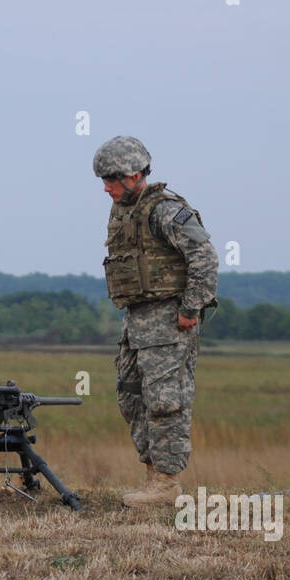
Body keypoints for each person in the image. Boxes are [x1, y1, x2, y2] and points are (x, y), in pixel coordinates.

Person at [93, 136, 219, 507]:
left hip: (169, 322)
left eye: (113, 180)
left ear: (134, 175)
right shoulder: (123, 210)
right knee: (132, 396)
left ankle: (167, 483)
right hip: (137, 321)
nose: (107, 188)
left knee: (166, 401)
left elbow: (205, 258)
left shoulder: (165, 210)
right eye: (103, 180)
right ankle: (152, 477)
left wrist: (190, 309)